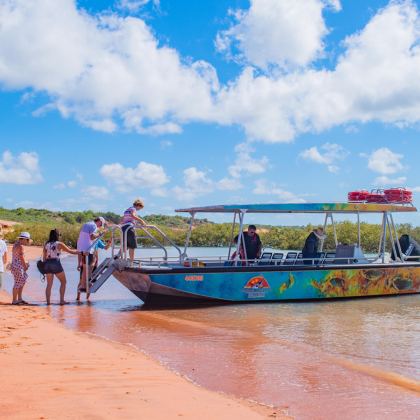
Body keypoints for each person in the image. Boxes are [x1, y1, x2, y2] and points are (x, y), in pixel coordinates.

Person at [43, 229, 78, 305]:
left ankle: (48, 302)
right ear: (57, 235)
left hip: (47, 263)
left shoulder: (46, 244)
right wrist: (81, 252)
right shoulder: (59, 244)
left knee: (49, 284)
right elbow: (71, 251)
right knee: (63, 282)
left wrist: (44, 268)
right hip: (55, 263)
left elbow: (44, 257)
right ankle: (61, 300)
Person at [76, 217, 107, 301]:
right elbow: (92, 237)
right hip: (88, 249)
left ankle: (82, 287)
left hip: (82, 249)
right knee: (90, 266)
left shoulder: (86, 224)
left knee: (85, 269)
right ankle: (83, 287)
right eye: (101, 224)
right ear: (99, 222)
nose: (100, 226)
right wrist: (101, 233)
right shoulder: (94, 226)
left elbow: (83, 237)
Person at [120, 199, 146, 265]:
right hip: (129, 228)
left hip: (124, 228)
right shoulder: (133, 209)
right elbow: (133, 215)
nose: (139, 209)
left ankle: (118, 257)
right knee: (132, 246)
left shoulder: (127, 210)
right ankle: (131, 263)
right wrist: (142, 221)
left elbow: (123, 219)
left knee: (125, 245)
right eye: (140, 208)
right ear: (138, 205)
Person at [10, 232, 32, 305]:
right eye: (27, 240)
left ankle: (19, 299)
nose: (28, 241)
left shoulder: (16, 244)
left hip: (15, 266)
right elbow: (21, 258)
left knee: (21, 282)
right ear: (24, 239)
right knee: (18, 283)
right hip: (18, 267)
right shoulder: (20, 246)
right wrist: (25, 267)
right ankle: (14, 300)